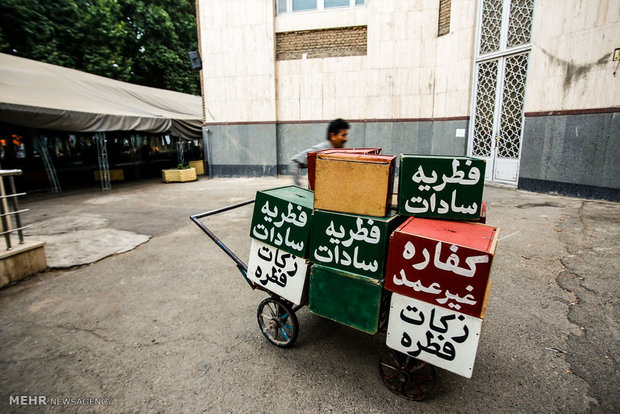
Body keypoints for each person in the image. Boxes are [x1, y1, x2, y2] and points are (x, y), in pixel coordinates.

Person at [289, 118, 349, 186]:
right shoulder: (320, 150)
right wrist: (298, 186)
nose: (346, 139)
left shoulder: (338, 152)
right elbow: (294, 161)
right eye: (343, 135)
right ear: (332, 136)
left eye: (346, 135)